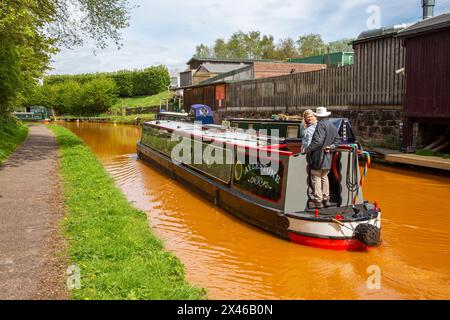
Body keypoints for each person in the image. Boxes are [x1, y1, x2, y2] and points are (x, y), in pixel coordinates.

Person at [304, 107, 340, 209]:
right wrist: (331, 147)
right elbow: (337, 140)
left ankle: (318, 201)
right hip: (328, 157)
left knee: (316, 177)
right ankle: (326, 199)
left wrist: (307, 150)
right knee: (325, 177)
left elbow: (318, 142)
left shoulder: (320, 125)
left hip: (318, 157)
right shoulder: (332, 126)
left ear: (318, 116)